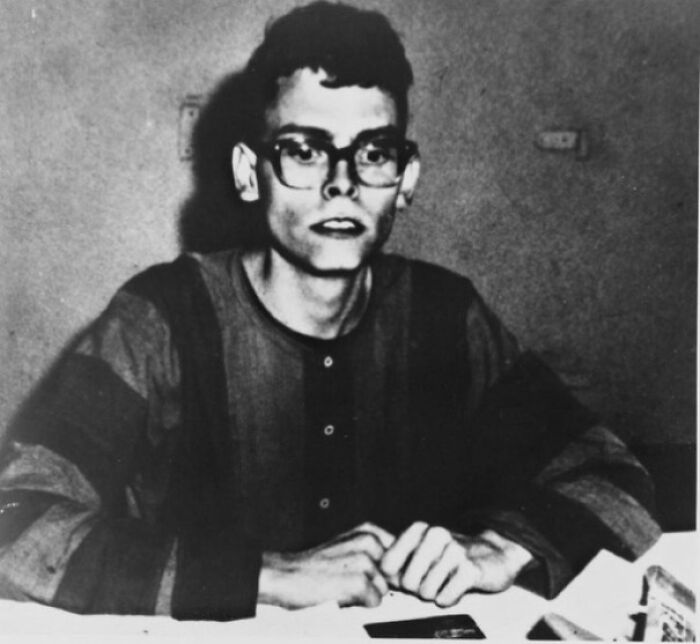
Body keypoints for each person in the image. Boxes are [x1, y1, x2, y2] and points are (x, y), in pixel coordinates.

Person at [0, 1, 660, 621]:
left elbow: (613, 475)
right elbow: (17, 520)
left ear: (406, 179)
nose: (340, 184)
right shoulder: (161, 318)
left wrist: (500, 550)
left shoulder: (446, 314)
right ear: (249, 172)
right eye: (305, 151)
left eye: (372, 154)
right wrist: (266, 575)